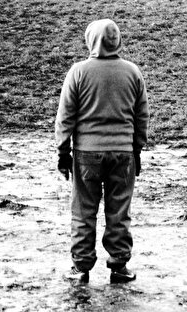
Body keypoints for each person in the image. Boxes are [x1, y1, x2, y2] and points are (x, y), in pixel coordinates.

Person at [54, 18, 149, 284]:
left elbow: (65, 118)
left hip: (86, 155)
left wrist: (63, 153)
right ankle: (119, 266)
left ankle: (81, 267)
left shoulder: (79, 72)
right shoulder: (132, 72)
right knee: (119, 212)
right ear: (117, 40)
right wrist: (137, 151)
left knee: (83, 211)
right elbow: (141, 117)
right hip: (123, 154)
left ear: (90, 40)